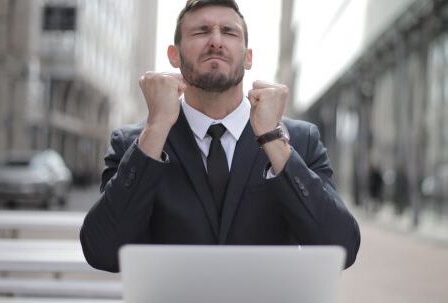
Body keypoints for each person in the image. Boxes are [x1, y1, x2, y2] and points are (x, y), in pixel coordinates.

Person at [80, 0, 361, 273]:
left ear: (248, 57)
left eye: (229, 32)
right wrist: (156, 128)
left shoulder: (299, 140)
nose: (216, 41)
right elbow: (102, 251)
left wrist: (272, 139)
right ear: (173, 55)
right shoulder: (135, 143)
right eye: (201, 31)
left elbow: (341, 249)